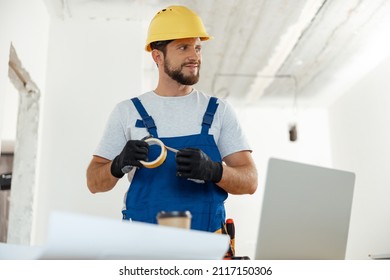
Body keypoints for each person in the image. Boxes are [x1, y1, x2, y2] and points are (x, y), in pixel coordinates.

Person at [86, 5, 258, 232]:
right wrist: (118, 164)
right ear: (157, 56)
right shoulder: (128, 112)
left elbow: (250, 181)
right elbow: (94, 183)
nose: (194, 56)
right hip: (144, 249)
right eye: (183, 47)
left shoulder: (218, 110)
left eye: (198, 48)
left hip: (207, 248)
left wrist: (215, 171)